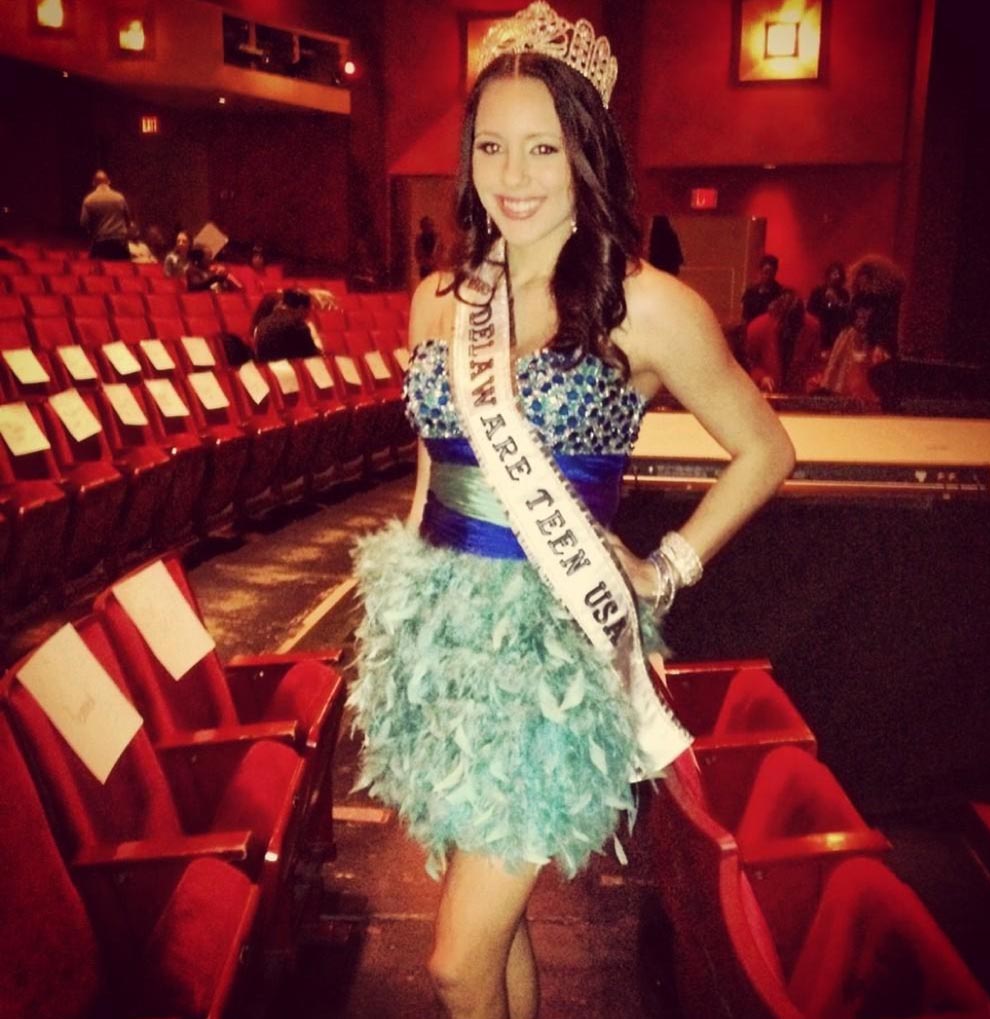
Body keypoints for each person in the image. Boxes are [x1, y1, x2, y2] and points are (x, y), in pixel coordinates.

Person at [348, 5, 795, 1018]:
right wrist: (395, 615)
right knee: (495, 933)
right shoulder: (439, 299)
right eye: (490, 146)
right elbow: (431, 473)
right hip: (441, 637)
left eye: (542, 147)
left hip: (548, 649)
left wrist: (667, 566)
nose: (512, 175)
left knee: (455, 961)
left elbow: (767, 448)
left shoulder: (649, 304)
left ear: (587, 150)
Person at [745, 290, 823, 394]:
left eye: (795, 326)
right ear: (775, 316)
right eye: (786, 325)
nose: (790, 331)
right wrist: (761, 377)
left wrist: (813, 378)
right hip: (766, 394)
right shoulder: (756, 328)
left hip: (798, 394)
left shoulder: (812, 327)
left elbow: (814, 362)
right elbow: (750, 364)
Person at [820, 293, 890, 403]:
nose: (862, 313)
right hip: (846, 392)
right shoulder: (846, 335)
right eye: (860, 309)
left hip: (869, 395)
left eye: (867, 309)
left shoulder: (879, 340)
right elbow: (835, 366)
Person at [253, 288, 319, 362]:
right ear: (301, 308)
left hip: (267, 367)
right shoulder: (298, 326)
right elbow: (311, 354)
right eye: (308, 310)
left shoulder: (262, 323)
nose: (308, 315)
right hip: (288, 366)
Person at [80, 170, 131, 260]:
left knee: (98, 267)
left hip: (100, 243)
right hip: (120, 242)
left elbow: (84, 224)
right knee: (123, 267)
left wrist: (92, 232)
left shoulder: (88, 200)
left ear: (93, 183)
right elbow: (128, 220)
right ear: (109, 182)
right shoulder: (120, 197)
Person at [807, 261, 850, 350]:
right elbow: (810, 310)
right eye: (834, 273)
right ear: (828, 275)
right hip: (821, 330)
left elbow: (846, 313)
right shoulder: (818, 291)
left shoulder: (843, 293)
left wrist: (836, 302)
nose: (837, 276)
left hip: (836, 331)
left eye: (839, 274)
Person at [740, 253, 784, 323]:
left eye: (771, 273)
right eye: (766, 272)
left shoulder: (780, 293)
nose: (768, 276)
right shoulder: (751, 292)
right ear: (761, 271)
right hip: (752, 327)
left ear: (775, 273)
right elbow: (745, 317)